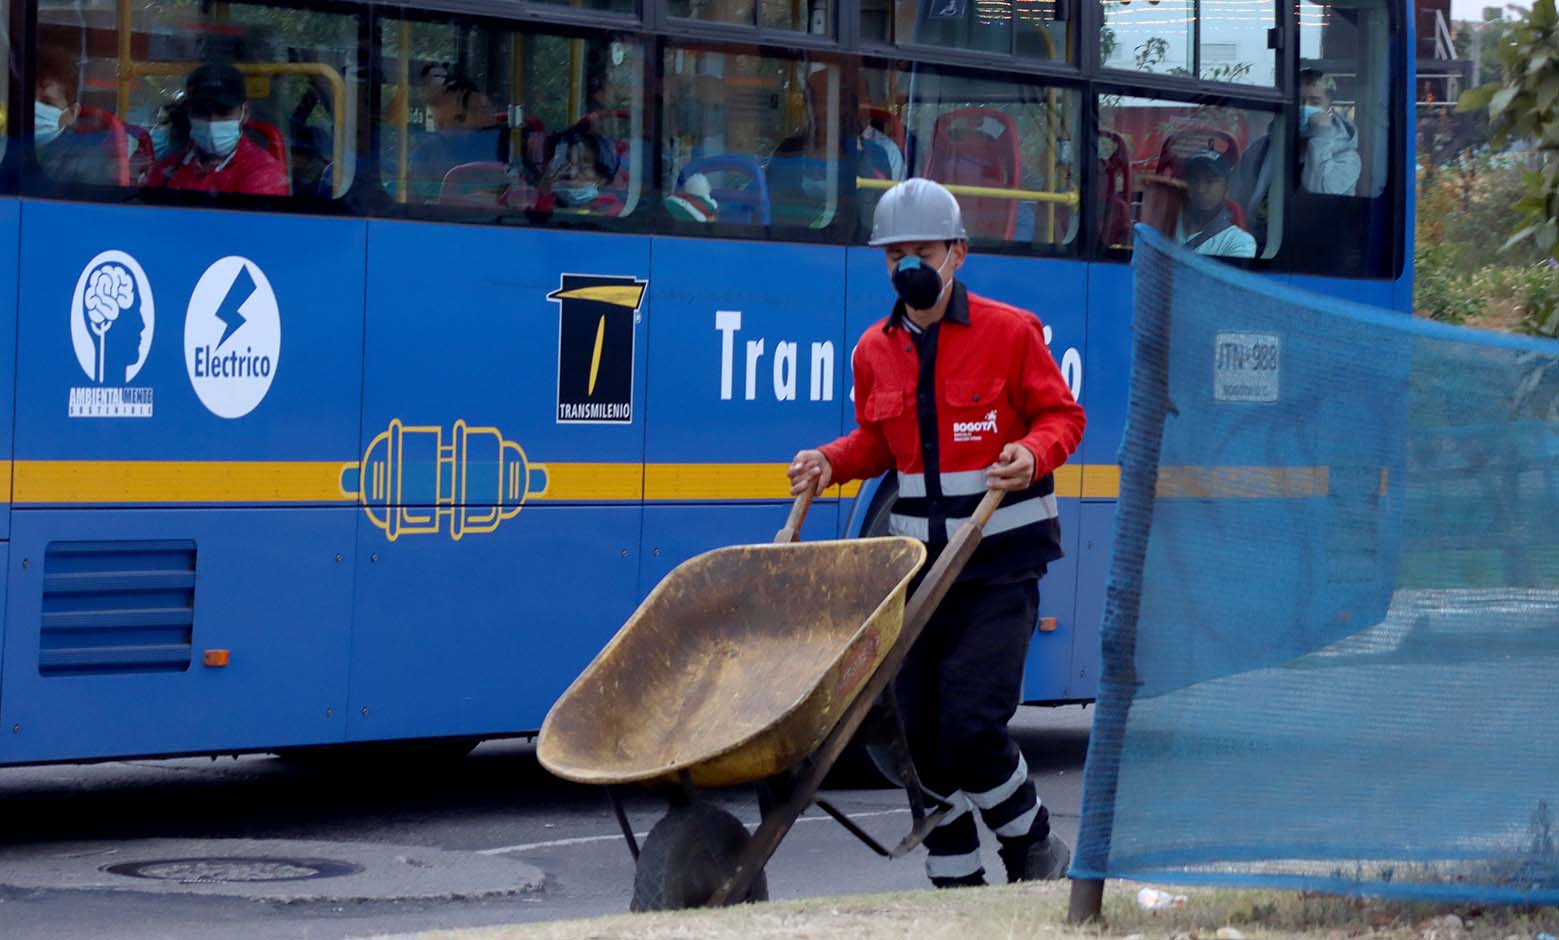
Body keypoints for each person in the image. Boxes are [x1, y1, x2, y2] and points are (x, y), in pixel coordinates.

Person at [787, 178, 1084, 889]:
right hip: (920, 572)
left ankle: (1032, 851)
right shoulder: (873, 350)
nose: (905, 266)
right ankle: (954, 891)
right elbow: (881, 444)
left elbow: (1063, 419)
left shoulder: (1011, 333)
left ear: (957, 254)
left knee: (971, 726)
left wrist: (1031, 453)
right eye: (893, 255)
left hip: (998, 568)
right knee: (917, 738)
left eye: (919, 251)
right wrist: (829, 461)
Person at [146, 63, 288, 196]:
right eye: (201, 112)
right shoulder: (168, 168)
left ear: (245, 113)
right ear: (189, 114)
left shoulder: (264, 174)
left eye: (223, 112)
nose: (212, 122)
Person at [408, 75, 505, 203]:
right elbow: (412, 205)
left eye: (483, 108)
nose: (484, 115)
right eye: (474, 109)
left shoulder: (501, 144)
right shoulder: (425, 153)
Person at [33, 45, 118, 186]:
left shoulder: (86, 163)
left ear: (72, 113)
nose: (35, 109)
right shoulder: (8, 143)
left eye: (46, 102)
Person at [1176, 150, 1256, 258]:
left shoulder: (1240, 242)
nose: (1200, 189)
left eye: (1210, 180)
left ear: (1227, 189)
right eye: (1194, 179)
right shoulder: (1165, 224)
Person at [1295, 68, 1361, 196]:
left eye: (1314, 102)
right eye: (1299, 101)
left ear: (1329, 106)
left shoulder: (1348, 160)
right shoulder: (1268, 146)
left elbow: (1318, 191)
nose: (1304, 108)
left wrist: (1322, 134)